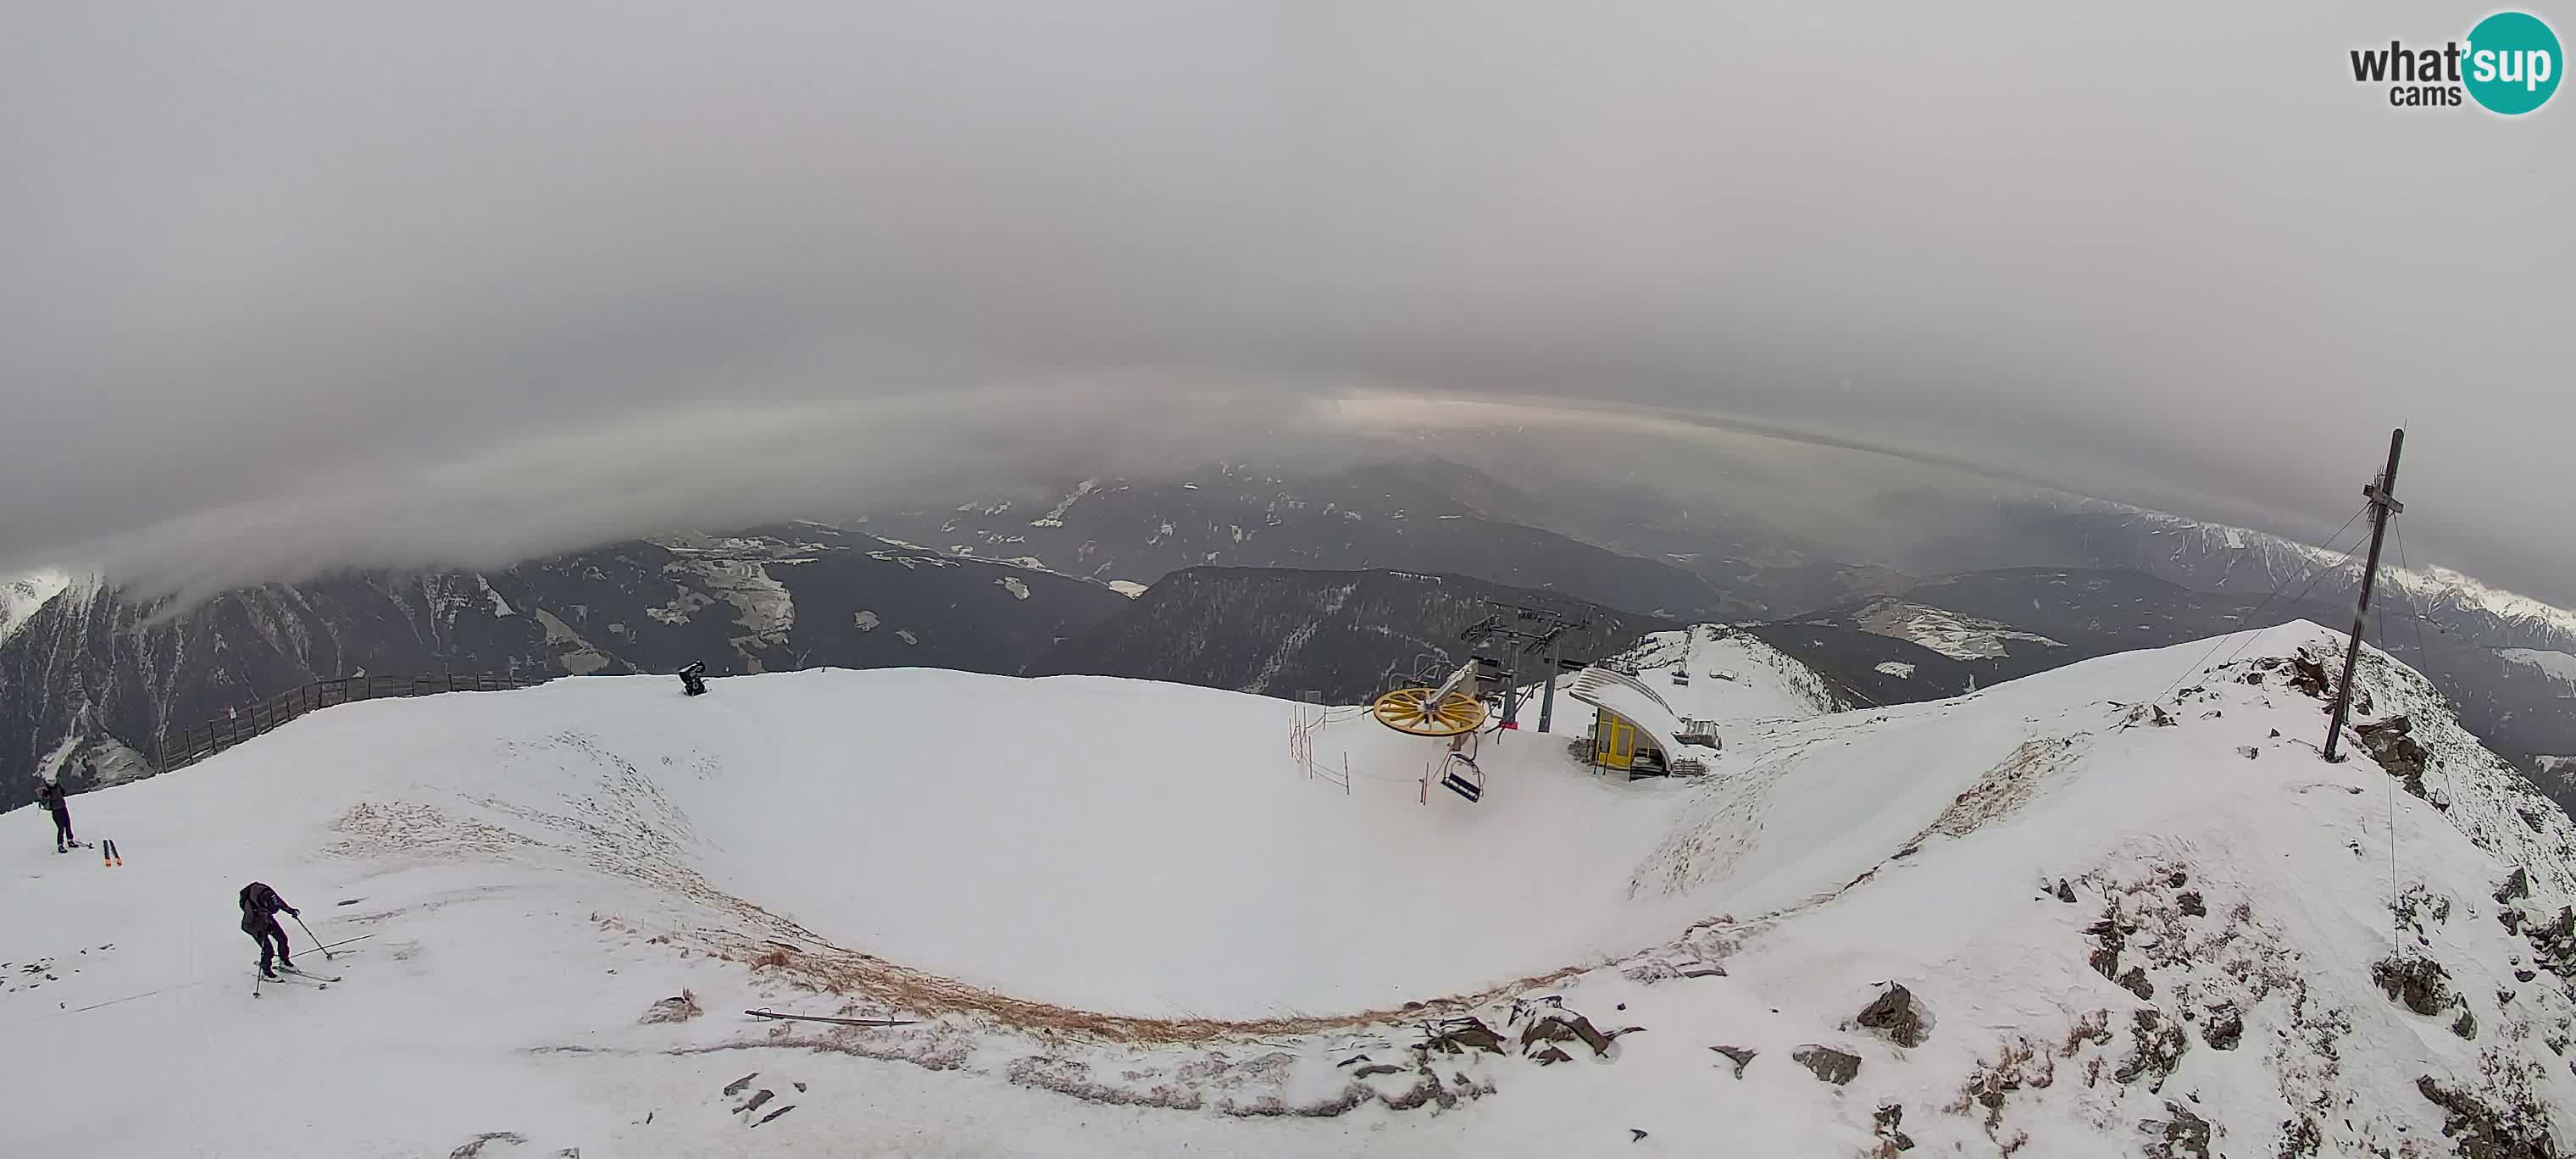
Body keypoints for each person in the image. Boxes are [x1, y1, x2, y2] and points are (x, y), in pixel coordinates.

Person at [239, 881, 301, 979]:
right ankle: (266, 971)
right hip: (254, 923)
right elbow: (248, 924)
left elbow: (278, 902)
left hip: (266, 917)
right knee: (268, 949)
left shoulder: (269, 895)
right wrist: (260, 933)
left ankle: (284, 962)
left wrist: (290, 910)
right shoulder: (251, 907)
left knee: (282, 939)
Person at [34, 779, 73, 853]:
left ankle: (70, 840)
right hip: (56, 810)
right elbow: (45, 799)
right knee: (61, 827)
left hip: (62, 807)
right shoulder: (47, 789)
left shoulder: (57, 786)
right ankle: (60, 845)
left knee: (67, 824)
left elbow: (63, 793)